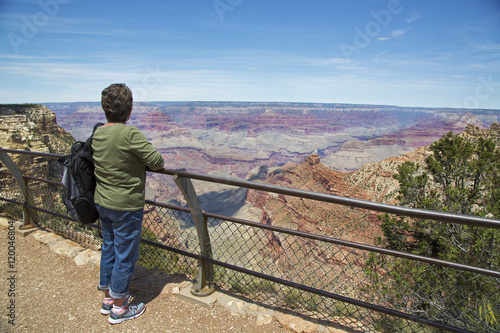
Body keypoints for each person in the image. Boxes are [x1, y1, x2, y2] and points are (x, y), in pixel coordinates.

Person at [92, 83, 164, 324]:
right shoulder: (130, 134)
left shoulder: (99, 132)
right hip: (125, 206)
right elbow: (157, 161)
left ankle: (107, 299)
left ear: (105, 109)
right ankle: (120, 308)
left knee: (109, 247)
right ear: (129, 109)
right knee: (125, 256)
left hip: (102, 202)